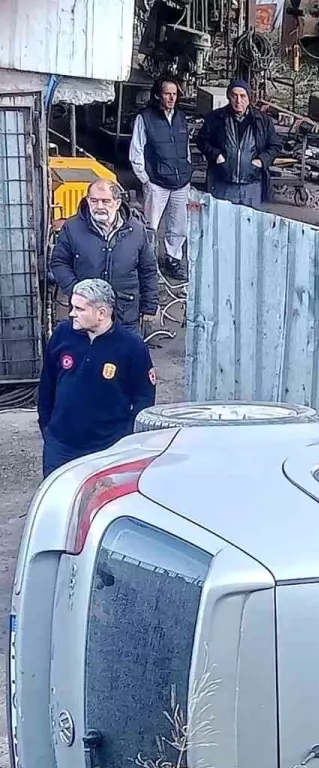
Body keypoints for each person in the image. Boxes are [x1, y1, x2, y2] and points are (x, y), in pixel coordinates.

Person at [38, 279, 157, 477]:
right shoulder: (62, 335)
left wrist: (126, 439)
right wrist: (48, 428)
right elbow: (47, 385)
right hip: (61, 446)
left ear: (102, 313)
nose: (72, 313)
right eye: (72, 307)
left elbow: (143, 399)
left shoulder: (131, 346)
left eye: (79, 309)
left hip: (108, 449)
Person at [49, 179, 158, 331]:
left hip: (125, 315)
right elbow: (59, 262)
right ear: (87, 200)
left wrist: (149, 306)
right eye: (94, 201)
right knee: (86, 354)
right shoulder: (72, 228)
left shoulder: (137, 230)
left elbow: (148, 270)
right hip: (85, 315)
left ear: (117, 203)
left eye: (106, 201)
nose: (99, 206)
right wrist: (77, 290)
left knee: (125, 354)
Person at [130, 75, 191, 281]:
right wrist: (145, 179)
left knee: (178, 226)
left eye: (174, 94)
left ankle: (173, 260)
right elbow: (136, 151)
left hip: (180, 183)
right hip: (156, 183)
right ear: (158, 95)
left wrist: (186, 171)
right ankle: (148, 265)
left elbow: (185, 149)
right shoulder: (145, 118)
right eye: (167, 93)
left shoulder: (181, 118)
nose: (171, 98)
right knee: (151, 226)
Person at [196, 79, 279, 208]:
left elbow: (275, 145)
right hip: (223, 184)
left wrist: (262, 161)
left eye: (243, 96)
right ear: (229, 97)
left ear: (249, 98)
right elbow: (201, 140)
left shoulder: (262, 120)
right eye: (234, 96)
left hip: (252, 185)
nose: (238, 101)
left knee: (250, 225)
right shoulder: (216, 118)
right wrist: (216, 155)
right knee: (223, 224)